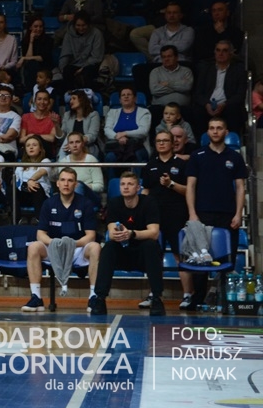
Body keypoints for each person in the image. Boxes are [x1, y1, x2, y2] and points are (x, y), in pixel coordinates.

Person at [184, 116, 247, 310]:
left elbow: (240, 187)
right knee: (200, 259)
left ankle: (225, 299)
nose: (215, 131)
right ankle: (198, 299)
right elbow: (190, 186)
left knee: (227, 259)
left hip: (228, 215)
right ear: (207, 132)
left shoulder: (235, 157)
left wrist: (238, 214)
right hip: (202, 214)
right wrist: (192, 213)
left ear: (226, 132)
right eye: (212, 128)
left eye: (219, 128)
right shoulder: (198, 155)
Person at [21, 168, 101, 312]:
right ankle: (36, 297)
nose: (66, 184)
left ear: (75, 184)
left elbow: (91, 235)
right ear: (57, 183)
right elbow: (40, 234)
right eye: (63, 180)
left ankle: (94, 297)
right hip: (54, 248)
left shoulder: (85, 204)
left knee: (95, 247)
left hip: (78, 249)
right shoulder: (48, 203)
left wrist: (72, 244)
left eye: (70, 181)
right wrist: (54, 243)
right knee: (34, 247)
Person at [87, 170, 165, 316]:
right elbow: (111, 232)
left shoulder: (149, 202)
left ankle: (156, 298)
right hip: (122, 252)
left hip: (143, 253)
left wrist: (132, 233)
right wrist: (119, 234)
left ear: (138, 187)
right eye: (123, 184)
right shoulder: (114, 203)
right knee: (108, 247)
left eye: (130, 184)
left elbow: (154, 233)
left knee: (151, 246)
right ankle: (100, 298)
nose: (126, 187)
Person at [141, 130, 194, 310]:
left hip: (177, 215)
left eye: (165, 140)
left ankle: (187, 295)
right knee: (154, 256)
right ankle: (154, 294)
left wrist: (171, 184)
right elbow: (146, 191)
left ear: (172, 143)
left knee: (181, 255)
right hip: (154, 217)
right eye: (158, 141)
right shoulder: (150, 165)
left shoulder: (182, 164)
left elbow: (189, 190)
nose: (162, 143)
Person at [190, 39, 248, 133]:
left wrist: (224, 104)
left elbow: (240, 95)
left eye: (224, 50)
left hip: (228, 104)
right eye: (218, 50)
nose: (220, 53)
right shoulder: (205, 69)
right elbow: (198, 93)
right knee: (197, 111)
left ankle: (232, 140)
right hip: (208, 104)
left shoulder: (238, 70)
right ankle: (202, 141)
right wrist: (206, 104)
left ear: (230, 53)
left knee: (234, 110)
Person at [103, 86, 151, 164]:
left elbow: (143, 131)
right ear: (120, 100)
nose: (126, 96)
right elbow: (107, 130)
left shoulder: (144, 112)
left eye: (129, 94)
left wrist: (124, 133)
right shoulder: (112, 112)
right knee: (110, 157)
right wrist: (118, 137)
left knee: (136, 156)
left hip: (137, 146)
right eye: (123, 95)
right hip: (117, 145)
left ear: (135, 98)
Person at [57, 12, 104, 89]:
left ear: (88, 24)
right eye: (78, 25)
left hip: (90, 65)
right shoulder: (68, 35)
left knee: (88, 73)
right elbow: (65, 55)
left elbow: (96, 56)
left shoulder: (96, 34)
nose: (81, 28)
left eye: (83, 25)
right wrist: (62, 69)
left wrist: (83, 68)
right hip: (74, 64)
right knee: (67, 71)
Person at [15, 137, 52, 223]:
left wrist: (31, 180)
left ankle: (38, 219)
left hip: (40, 194)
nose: (31, 147)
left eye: (34, 145)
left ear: (40, 149)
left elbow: (41, 172)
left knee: (36, 186)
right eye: (28, 145)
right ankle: (18, 219)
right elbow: (17, 181)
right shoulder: (21, 165)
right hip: (24, 193)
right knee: (11, 190)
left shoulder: (46, 161)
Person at [19, 89, 62, 159]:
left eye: (45, 99)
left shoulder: (54, 117)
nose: (42, 102)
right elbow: (21, 139)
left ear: (49, 102)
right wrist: (42, 137)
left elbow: (51, 138)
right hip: (28, 152)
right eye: (39, 99)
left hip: (46, 152)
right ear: (35, 101)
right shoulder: (26, 117)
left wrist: (33, 135)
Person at [62, 89, 101, 158]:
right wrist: (56, 125)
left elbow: (92, 135)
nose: (71, 101)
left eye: (74, 98)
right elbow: (63, 136)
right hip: (69, 149)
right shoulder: (67, 115)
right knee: (65, 143)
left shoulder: (93, 115)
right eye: (70, 99)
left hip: (87, 148)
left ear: (82, 100)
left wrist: (76, 142)